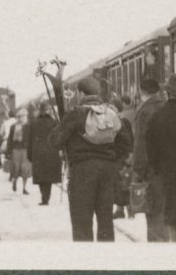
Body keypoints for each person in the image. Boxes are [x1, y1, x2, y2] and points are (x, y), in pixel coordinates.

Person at [52, 77, 132, 241]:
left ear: (81, 93)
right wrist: (112, 160)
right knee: (105, 221)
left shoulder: (76, 114)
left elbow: (54, 141)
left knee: (82, 222)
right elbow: (126, 143)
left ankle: (86, 261)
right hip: (107, 171)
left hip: (82, 171)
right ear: (98, 93)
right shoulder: (111, 113)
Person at [146, 74, 176, 241]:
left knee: (172, 212)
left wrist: (157, 169)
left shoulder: (157, 116)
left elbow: (150, 148)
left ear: (167, 93)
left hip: (167, 172)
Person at [131, 78, 167, 241]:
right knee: (163, 209)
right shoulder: (164, 106)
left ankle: (157, 250)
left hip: (151, 169)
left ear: (140, 90)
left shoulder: (144, 111)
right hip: (167, 167)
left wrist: (137, 170)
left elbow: (140, 143)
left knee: (152, 211)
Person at [27, 102, 62, 206]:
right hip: (52, 153)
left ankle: (44, 197)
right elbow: (59, 139)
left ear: (40, 111)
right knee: (48, 177)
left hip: (38, 154)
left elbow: (29, 141)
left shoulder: (33, 123)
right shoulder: (54, 123)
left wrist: (29, 155)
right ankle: (46, 197)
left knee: (41, 176)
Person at [6, 108, 32, 194]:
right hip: (16, 149)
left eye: (25, 116)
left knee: (25, 169)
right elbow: (10, 139)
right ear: (18, 117)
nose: (24, 118)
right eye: (22, 117)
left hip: (25, 150)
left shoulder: (28, 126)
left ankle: (24, 188)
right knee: (16, 168)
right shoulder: (13, 127)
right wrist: (8, 152)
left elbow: (30, 140)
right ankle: (15, 181)